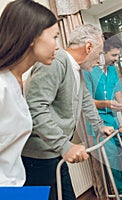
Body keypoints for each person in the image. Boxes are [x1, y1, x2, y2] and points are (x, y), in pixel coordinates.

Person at [22, 24, 114, 200]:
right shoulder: (57, 61)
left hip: (56, 151)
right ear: (88, 47)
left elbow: (85, 99)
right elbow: (35, 107)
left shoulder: (76, 70)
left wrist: (99, 126)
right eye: (99, 53)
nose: (99, 61)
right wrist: (64, 145)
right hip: (39, 156)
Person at [0, 0, 59, 186]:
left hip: (16, 185)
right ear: (32, 36)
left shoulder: (17, 82)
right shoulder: (2, 86)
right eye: (54, 37)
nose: (57, 46)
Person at [84, 32, 122, 195]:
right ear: (103, 53)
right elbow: (88, 102)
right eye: (114, 54)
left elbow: (118, 92)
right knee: (113, 163)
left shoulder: (111, 70)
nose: (117, 58)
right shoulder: (89, 71)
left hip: (113, 120)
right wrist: (107, 103)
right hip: (98, 123)